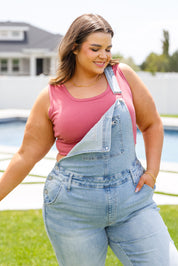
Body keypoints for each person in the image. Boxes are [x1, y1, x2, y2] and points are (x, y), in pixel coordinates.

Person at [0, 13, 178, 266]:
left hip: (132, 201)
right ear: (74, 47)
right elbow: (25, 155)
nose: (103, 56)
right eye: (95, 48)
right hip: (73, 208)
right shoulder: (51, 96)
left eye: (108, 48)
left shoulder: (122, 76)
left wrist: (152, 172)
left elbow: (152, 124)